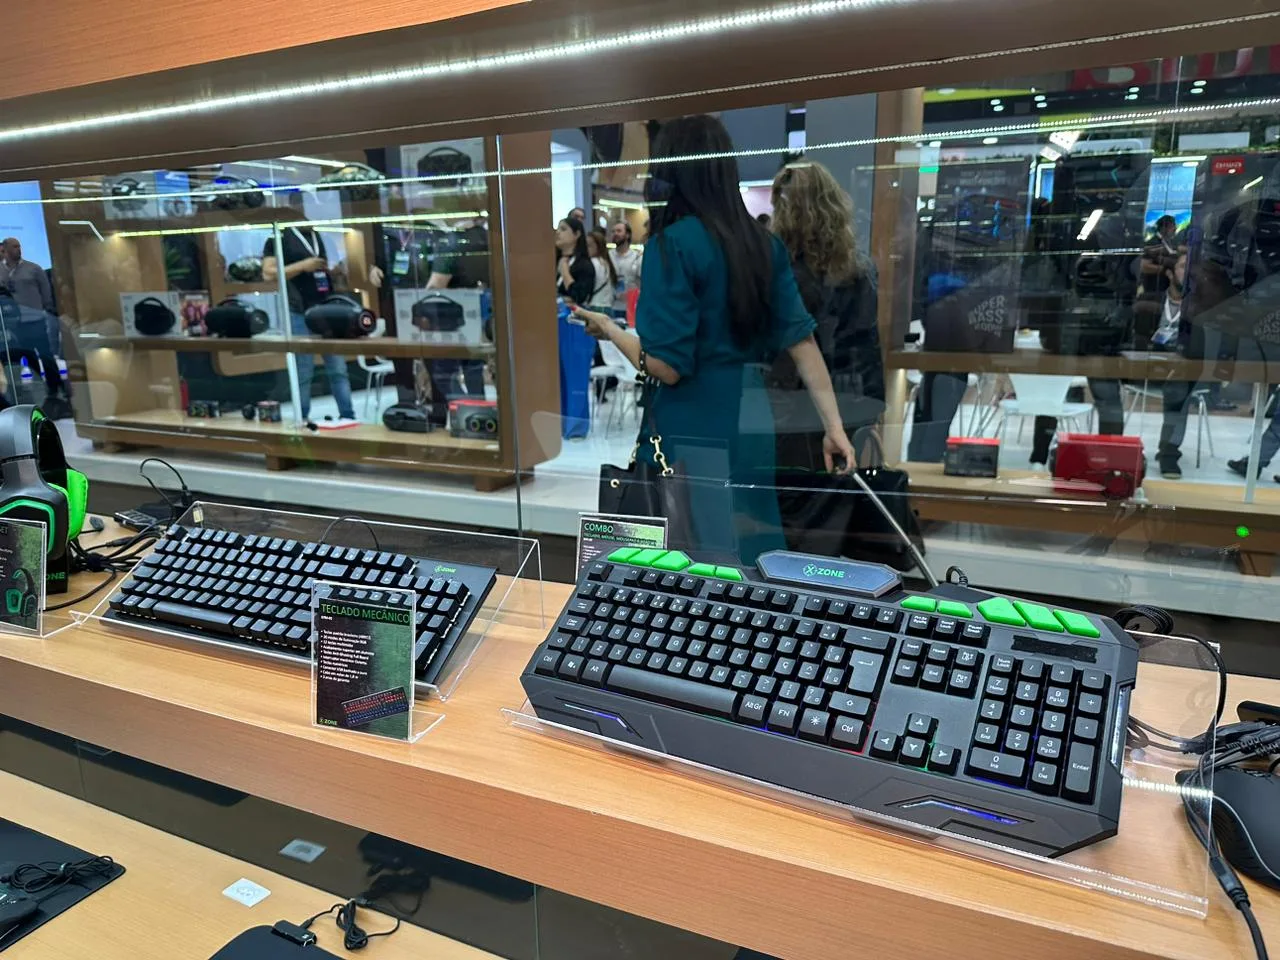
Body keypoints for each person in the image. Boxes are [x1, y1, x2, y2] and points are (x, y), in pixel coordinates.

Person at [569, 114, 855, 562]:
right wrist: (834, 428)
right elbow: (803, 344)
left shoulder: (672, 245)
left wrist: (610, 330)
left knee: (689, 551)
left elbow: (665, 366)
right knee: (750, 546)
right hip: (750, 416)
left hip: (690, 422)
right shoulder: (764, 245)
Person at [767, 160, 884, 470]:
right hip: (848, 400)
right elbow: (867, 347)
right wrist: (873, 412)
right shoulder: (858, 269)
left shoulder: (778, 272)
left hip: (788, 406)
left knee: (793, 486)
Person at [262, 224, 357, 423]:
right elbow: (268, 273)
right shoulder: (279, 237)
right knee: (303, 370)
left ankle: (348, 416)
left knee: (338, 369)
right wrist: (303, 266)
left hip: (328, 311)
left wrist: (335, 272)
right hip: (300, 311)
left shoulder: (321, 236)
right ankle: (302, 418)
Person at [0, 238, 68, 414]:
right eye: (14, 246)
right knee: (26, 359)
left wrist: (44, 311)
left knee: (45, 356)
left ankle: (57, 389)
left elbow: (46, 293)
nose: (18, 249)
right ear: (4, 249)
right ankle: (34, 394)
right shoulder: (1, 270)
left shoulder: (34, 268)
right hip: (13, 324)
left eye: (19, 246)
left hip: (35, 320)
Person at [555, 217, 595, 305]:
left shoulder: (584, 264)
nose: (557, 232)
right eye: (558, 229)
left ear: (576, 234)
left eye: (563, 229)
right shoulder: (553, 261)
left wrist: (565, 272)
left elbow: (579, 297)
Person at [608, 221, 642, 319]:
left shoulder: (636, 257)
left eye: (619, 231)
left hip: (631, 308)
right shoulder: (607, 256)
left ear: (627, 235)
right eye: (613, 231)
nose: (615, 234)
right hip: (610, 306)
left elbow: (644, 283)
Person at [586, 230, 618, 312]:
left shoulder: (593, 263)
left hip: (595, 307)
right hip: (607, 307)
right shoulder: (607, 263)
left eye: (589, 245)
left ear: (598, 246)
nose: (585, 249)